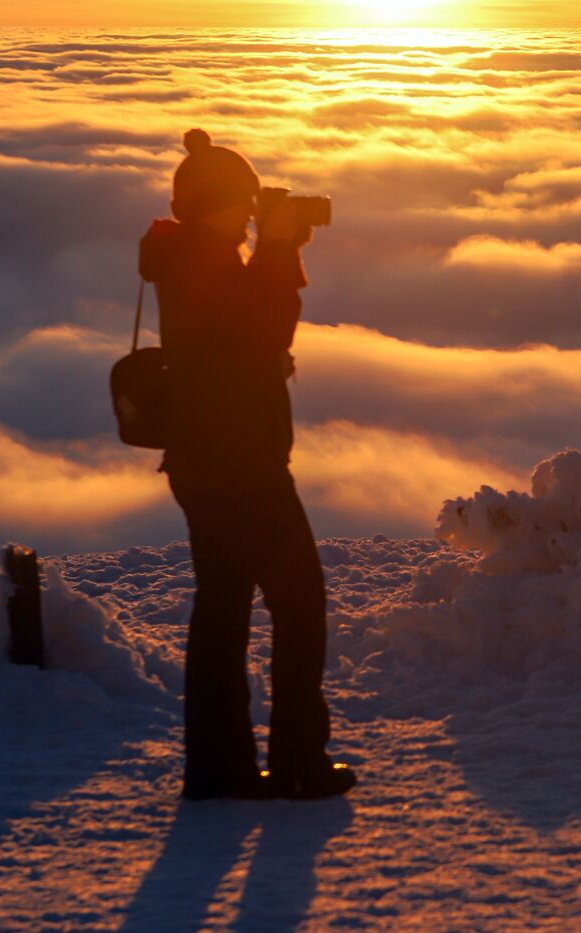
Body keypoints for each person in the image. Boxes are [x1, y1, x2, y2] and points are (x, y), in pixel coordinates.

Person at [139, 129, 355, 801]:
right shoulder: (204, 257)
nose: (251, 216)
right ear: (216, 206)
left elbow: (241, 338)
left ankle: (219, 766)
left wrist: (275, 248)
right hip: (240, 462)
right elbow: (263, 329)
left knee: (224, 608)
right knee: (298, 603)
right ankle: (297, 761)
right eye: (243, 204)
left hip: (204, 459)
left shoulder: (189, 254)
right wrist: (281, 246)